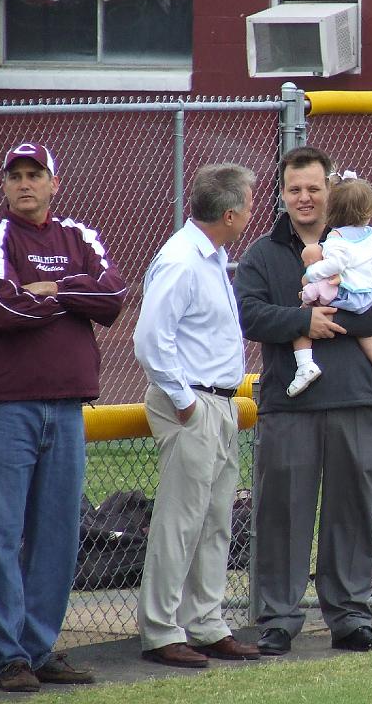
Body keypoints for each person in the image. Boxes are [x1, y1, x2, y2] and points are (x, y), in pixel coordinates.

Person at [0, 142, 126, 691]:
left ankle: (41, 647)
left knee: (57, 532)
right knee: (1, 531)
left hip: (67, 407)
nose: (25, 184)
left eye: (36, 175)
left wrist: (55, 288)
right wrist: (75, 300)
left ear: (54, 182)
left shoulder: (79, 236)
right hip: (5, 407)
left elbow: (114, 297)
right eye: (16, 176)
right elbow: (0, 306)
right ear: (4, 185)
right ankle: (8, 656)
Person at [235, 146, 372, 653]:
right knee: (282, 511)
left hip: (354, 397)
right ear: (282, 195)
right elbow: (250, 315)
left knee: (353, 509)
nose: (305, 198)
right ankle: (278, 619)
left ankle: (350, 616)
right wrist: (303, 321)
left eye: (314, 188)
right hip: (289, 404)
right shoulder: (263, 253)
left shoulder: (360, 244)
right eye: (295, 190)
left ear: (330, 190)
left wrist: (334, 322)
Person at [133, 163, 260, 668]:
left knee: (215, 520)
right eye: (248, 204)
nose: (252, 212)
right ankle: (161, 630)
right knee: (180, 520)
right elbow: (150, 339)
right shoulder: (182, 260)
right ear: (230, 213)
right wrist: (184, 400)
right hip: (193, 403)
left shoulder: (211, 255)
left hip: (220, 401)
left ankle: (206, 623)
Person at [291, 174, 372, 424]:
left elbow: (337, 263)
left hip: (346, 294)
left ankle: (305, 364)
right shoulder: (369, 235)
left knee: (303, 313)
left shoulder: (336, 237)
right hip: (370, 295)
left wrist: (311, 273)